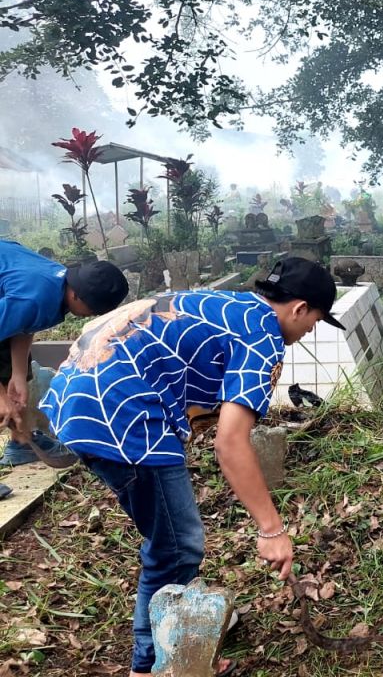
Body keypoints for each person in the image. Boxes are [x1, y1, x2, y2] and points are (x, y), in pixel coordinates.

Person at [39, 257, 345, 677]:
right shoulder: (264, 337)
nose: (308, 331)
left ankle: (182, 623)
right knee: (176, 546)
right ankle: (151, 665)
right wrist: (272, 531)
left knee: (168, 535)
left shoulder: (228, 305)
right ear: (298, 308)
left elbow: (178, 363)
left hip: (75, 392)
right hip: (120, 414)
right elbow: (231, 442)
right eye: (313, 322)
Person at [0, 246, 128, 500]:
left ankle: (22, 442)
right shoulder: (35, 298)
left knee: (14, 382)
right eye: (93, 311)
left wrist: (17, 373)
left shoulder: (57, 287)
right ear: (78, 297)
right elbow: (26, 309)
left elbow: (24, 324)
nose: (90, 317)